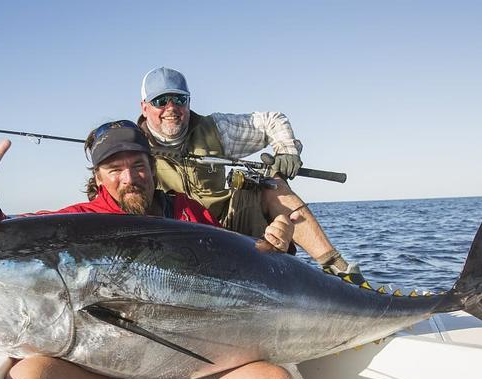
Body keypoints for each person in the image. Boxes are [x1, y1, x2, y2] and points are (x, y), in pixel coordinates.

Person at [0, 120, 301, 379]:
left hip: (195, 373)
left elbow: (237, 266)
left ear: (152, 166)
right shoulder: (80, 224)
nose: (130, 179)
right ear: (97, 178)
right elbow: (4, 248)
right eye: (115, 170)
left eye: (139, 165)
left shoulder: (187, 214)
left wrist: (275, 245)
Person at [138, 67, 364, 284]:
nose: (171, 108)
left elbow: (271, 121)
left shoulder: (216, 128)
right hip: (175, 237)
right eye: (160, 101)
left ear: (188, 103)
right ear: (144, 107)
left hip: (226, 226)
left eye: (179, 99)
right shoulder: (131, 143)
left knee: (271, 185)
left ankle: (341, 272)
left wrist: (286, 150)